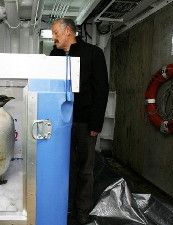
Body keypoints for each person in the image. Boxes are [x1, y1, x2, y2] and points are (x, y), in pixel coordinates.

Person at [50, 18, 109, 225]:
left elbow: (102, 91)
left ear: (68, 31)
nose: (53, 37)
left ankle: (82, 212)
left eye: (56, 32)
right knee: (64, 167)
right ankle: (64, 208)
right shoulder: (54, 56)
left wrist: (96, 125)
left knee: (85, 169)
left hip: (85, 123)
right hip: (60, 123)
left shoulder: (94, 53)